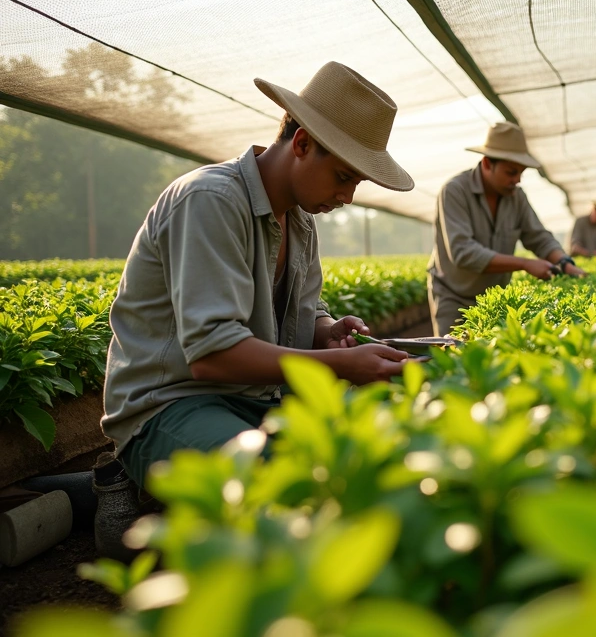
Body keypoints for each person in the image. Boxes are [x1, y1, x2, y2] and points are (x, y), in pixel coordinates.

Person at [102, 62, 415, 488]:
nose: (347, 197)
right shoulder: (210, 200)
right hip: (171, 407)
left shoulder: (301, 221)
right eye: (343, 177)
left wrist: (327, 330)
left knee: (376, 450)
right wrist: (337, 364)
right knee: (287, 480)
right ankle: (121, 481)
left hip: (258, 399)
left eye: (356, 183)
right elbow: (212, 355)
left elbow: (309, 307)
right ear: (302, 143)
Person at [428, 122, 587, 336]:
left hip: (495, 298)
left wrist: (565, 263)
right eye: (511, 172)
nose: (517, 180)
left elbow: (538, 237)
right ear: (486, 163)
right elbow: (463, 252)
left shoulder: (516, 197)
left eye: (521, 173)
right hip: (453, 295)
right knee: (453, 354)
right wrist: (524, 264)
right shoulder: (455, 192)